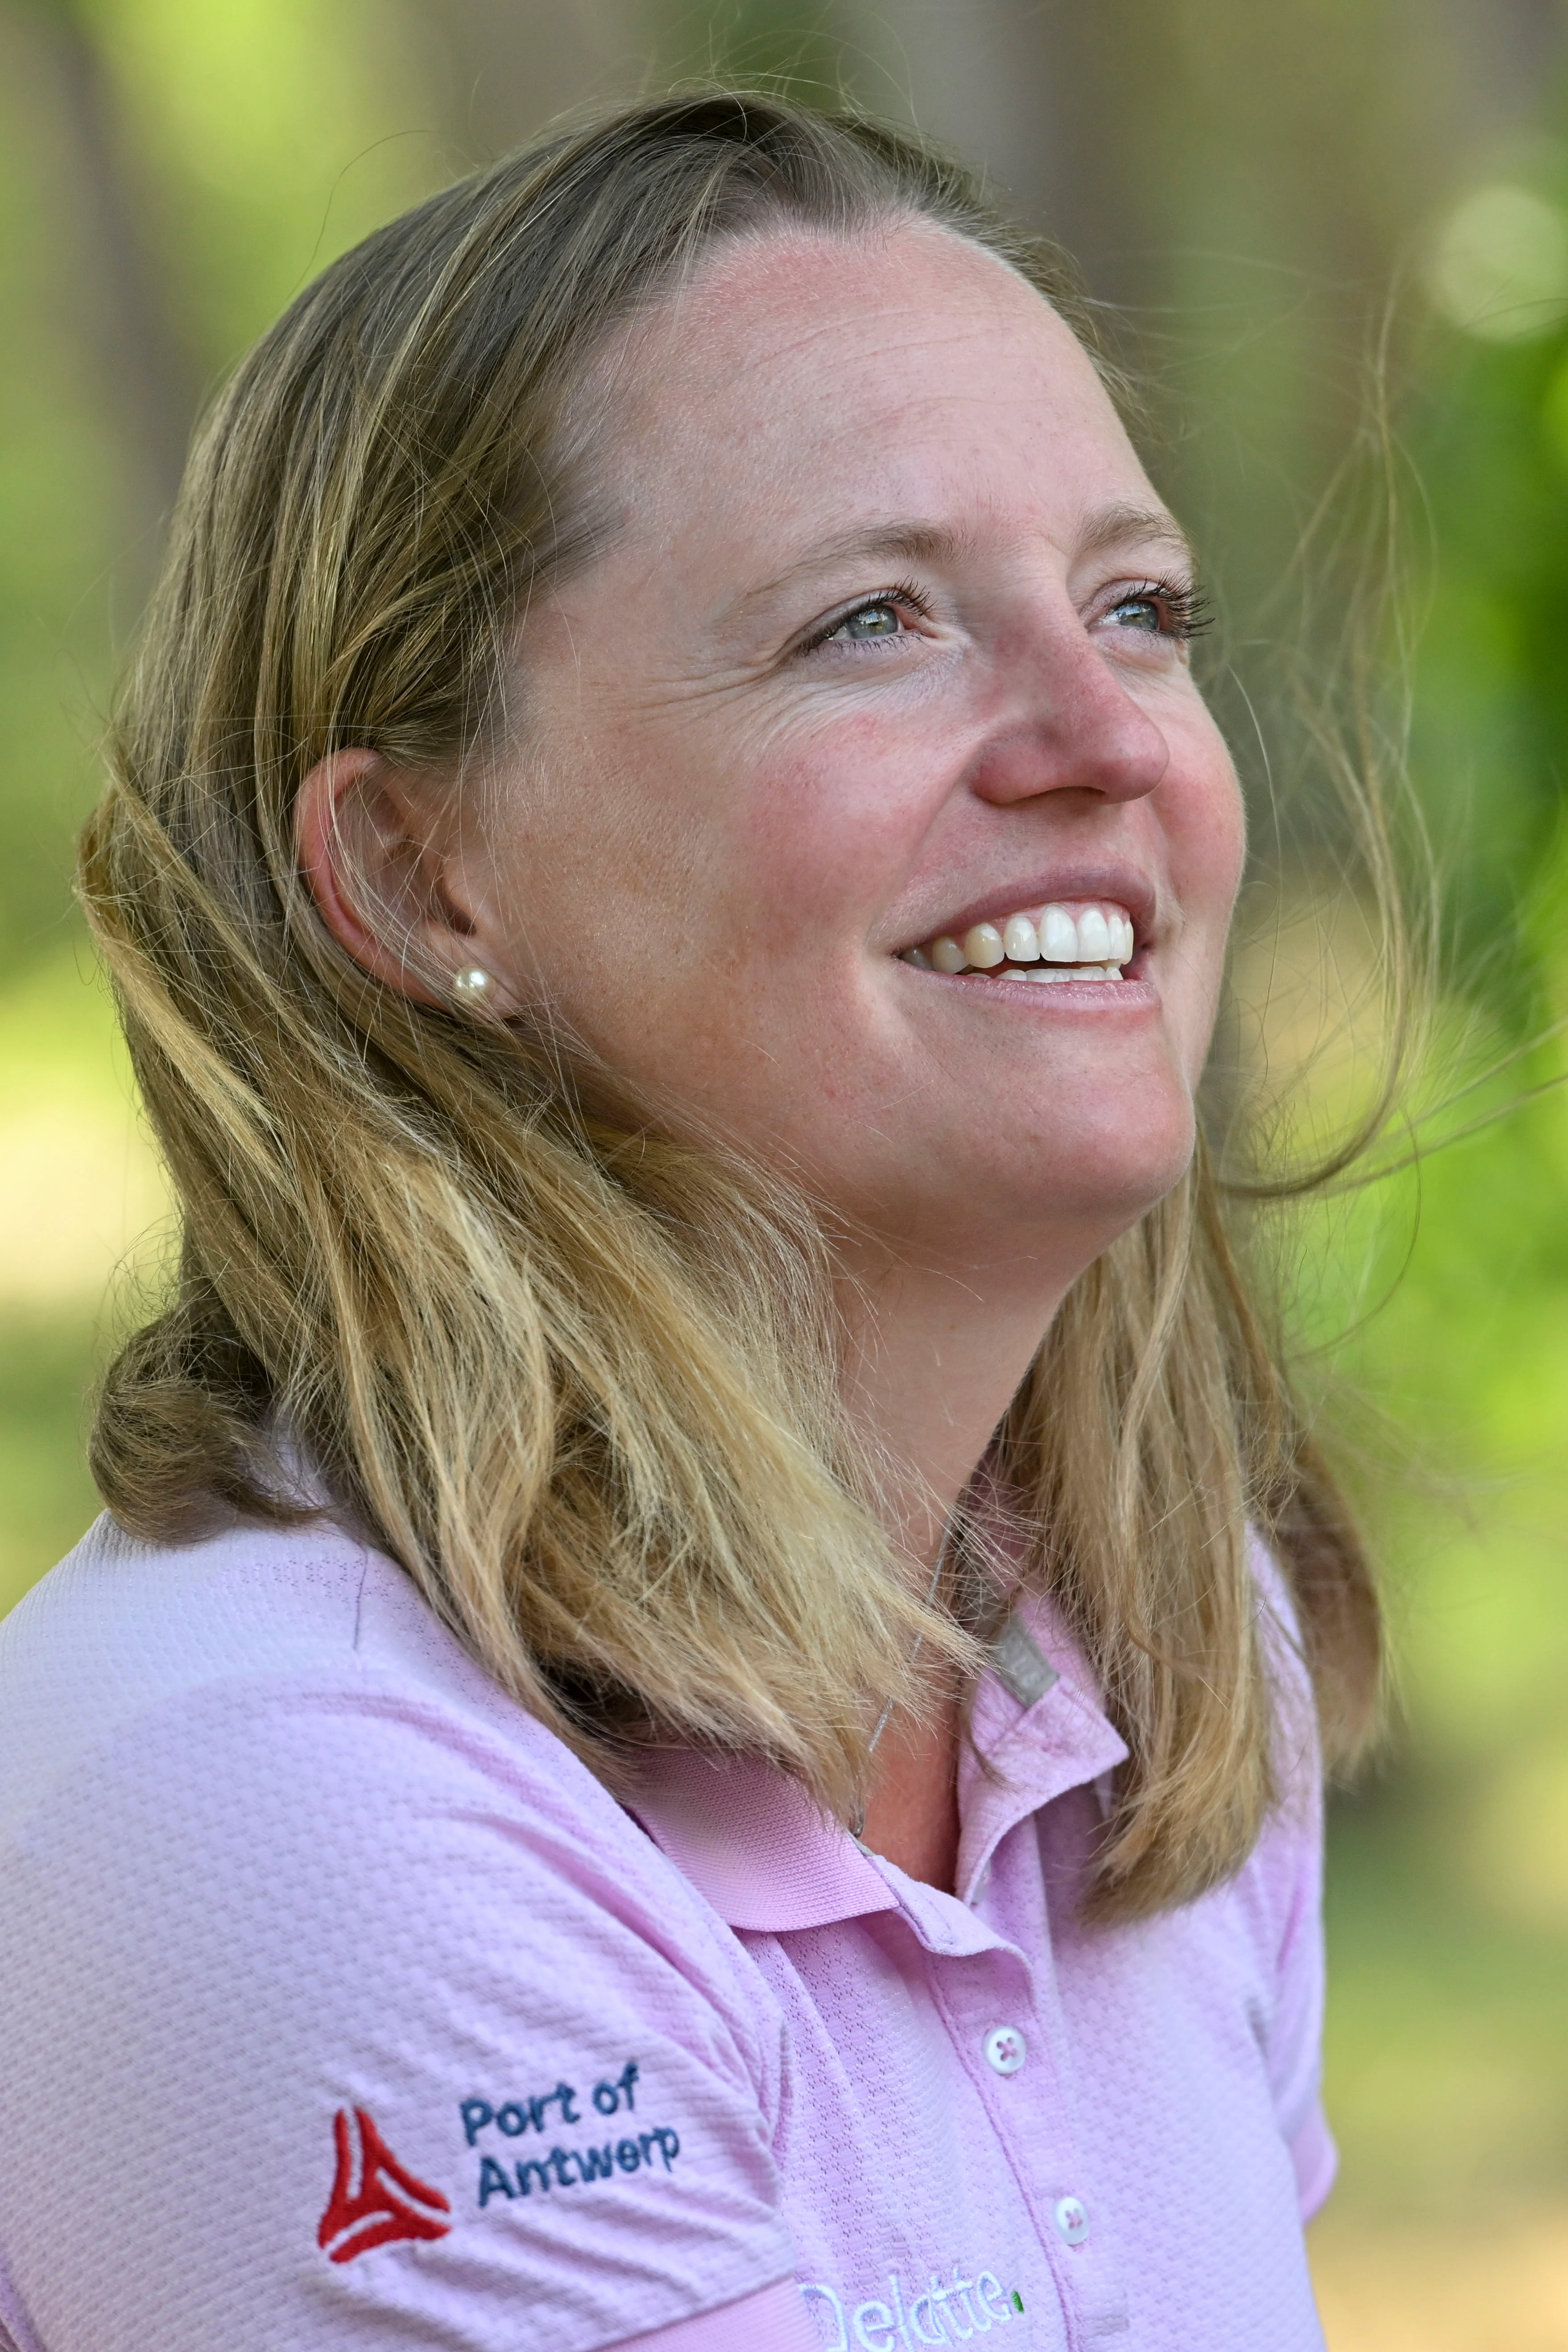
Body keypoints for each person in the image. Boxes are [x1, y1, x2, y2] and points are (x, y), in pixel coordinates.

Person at [0, 91, 1382, 2352]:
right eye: (870, 620)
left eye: (1139, 605)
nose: (1096, 732)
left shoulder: (1153, 1649)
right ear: (424, 871)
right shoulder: (284, 1797)